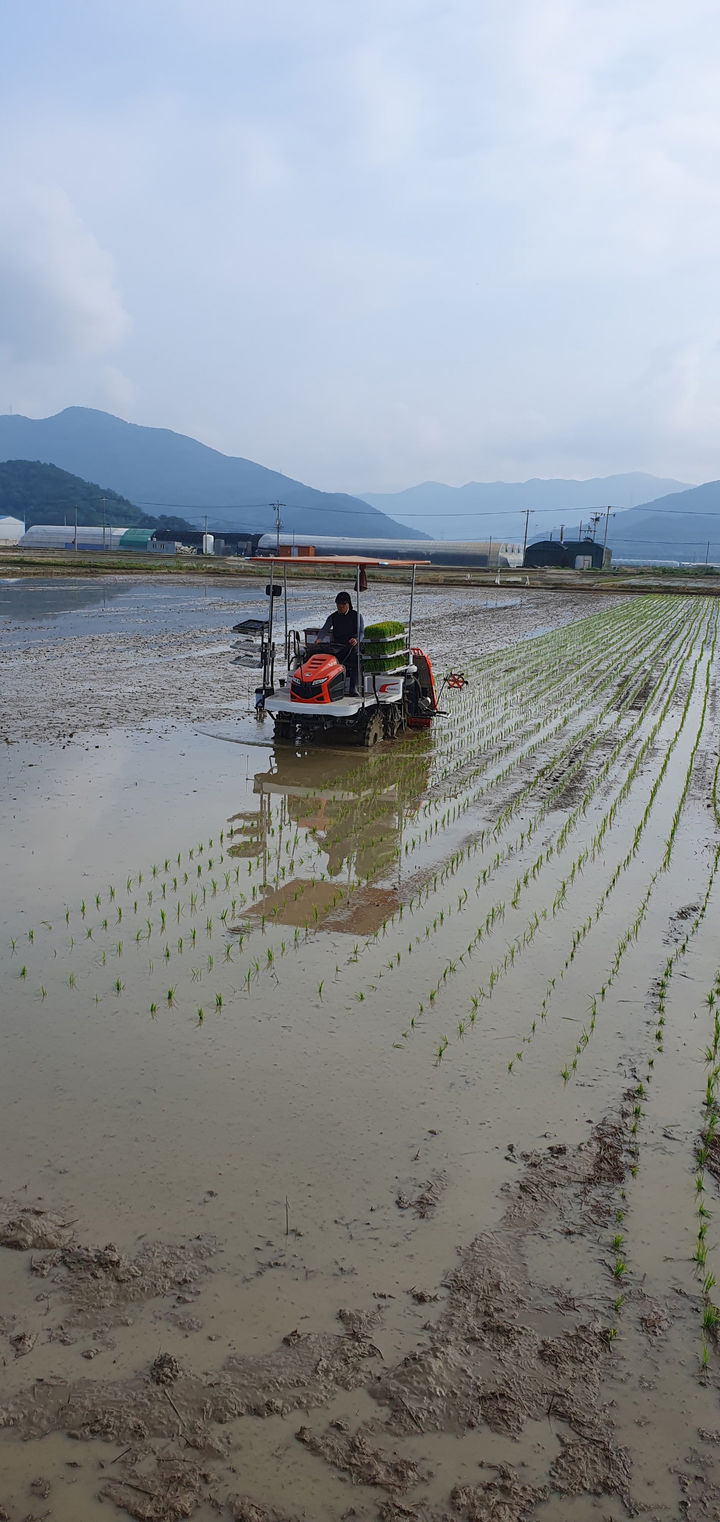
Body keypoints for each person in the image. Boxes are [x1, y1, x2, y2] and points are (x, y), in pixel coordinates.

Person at [315, 592, 365, 695]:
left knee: (356, 658)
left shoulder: (356, 616)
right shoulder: (333, 617)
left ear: (348, 604)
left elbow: (361, 632)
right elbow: (324, 629)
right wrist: (319, 639)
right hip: (337, 645)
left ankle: (353, 688)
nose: (340, 606)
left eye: (343, 604)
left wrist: (356, 640)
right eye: (338, 604)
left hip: (352, 645)